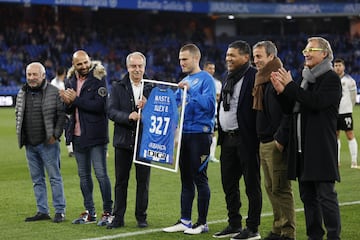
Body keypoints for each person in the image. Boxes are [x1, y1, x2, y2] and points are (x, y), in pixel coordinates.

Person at [270, 37, 342, 240]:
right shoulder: (305, 79)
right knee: (308, 198)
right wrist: (281, 92)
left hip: (320, 149)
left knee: (326, 197)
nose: (306, 53)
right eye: (305, 50)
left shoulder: (330, 78)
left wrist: (291, 87)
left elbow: (316, 102)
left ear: (324, 54)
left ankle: (334, 237)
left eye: (312, 50)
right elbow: (292, 109)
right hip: (302, 150)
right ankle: (314, 236)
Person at [162, 43, 216, 235]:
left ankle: (202, 223)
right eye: (180, 59)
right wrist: (151, 102)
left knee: (200, 178)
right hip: (185, 135)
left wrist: (190, 92)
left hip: (200, 135)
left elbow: (210, 106)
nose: (181, 63)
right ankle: (185, 220)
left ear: (195, 58)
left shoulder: (206, 80)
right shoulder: (185, 80)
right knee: (185, 179)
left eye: (184, 59)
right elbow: (173, 103)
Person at [213, 40, 262, 240]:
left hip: (246, 140)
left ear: (246, 57)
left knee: (252, 185)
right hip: (228, 140)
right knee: (229, 184)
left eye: (232, 55)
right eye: (227, 55)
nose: (228, 59)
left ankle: (252, 228)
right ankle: (234, 224)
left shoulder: (254, 76)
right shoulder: (228, 77)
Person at [59, 50, 113, 226]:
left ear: (90, 61)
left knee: (101, 174)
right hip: (77, 135)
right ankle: (90, 212)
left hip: (96, 135)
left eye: (85, 62)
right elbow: (69, 110)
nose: (83, 66)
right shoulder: (70, 80)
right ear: (73, 65)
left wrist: (75, 100)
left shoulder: (99, 78)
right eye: (79, 64)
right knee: (83, 176)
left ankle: (108, 212)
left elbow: (100, 106)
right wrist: (66, 103)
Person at [252, 41, 295, 240]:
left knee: (281, 188)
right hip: (264, 141)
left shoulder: (278, 76)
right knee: (271, 188)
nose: (256, 60)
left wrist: (281, 137)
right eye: (254, 56)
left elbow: (290, 109)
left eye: (259, 56)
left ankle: (287, 232)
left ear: (271, 57)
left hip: (275, 142)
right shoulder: (262, 79)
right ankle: (278, 228)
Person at [15, 62, 66, 223]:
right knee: (37, 179)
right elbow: (18, 113)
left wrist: (56, 134)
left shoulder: (54, 92)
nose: (31, 78)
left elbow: (62, 116)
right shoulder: (22, 92)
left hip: (48, 143)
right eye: (29, 75)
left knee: (54, 178)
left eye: (34, 74)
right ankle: (42, 210)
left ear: (43, 75)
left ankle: (59, 211)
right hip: (30, 144)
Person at [107, 52, 152, 229]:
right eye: (133, 66)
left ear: (144, 67)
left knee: (143, 182)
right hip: (123, 142)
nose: (137, 69)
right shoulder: (118, 87)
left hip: (144, 142)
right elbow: (111, 111)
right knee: (121, 182)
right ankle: (118, 218)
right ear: (127, 67)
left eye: (140, 66)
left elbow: (163, 108)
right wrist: (128, 116)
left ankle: (141, 217)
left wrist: (149, 104)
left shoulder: (153, 86)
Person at [334, 58, 358, 168]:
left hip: (346, 112)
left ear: (343, 67)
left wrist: (349, 107)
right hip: (334, 112)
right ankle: (336, 162)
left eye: (339, 65)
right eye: (336, 65)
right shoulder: (331, 80)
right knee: (335, 136)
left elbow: (353, 97)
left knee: (350, 134)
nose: (337, 67)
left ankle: (354, 162)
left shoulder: (350, 80)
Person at [50, 66, 74, 157]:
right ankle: (70, 149)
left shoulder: (52, 82)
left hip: (54, 109)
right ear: (64, 73)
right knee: (67, 129)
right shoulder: (63, 84)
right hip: (62, 109)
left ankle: (53, 148)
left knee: (57, 130)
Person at [203, 61, 222, 163]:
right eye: (210, 68)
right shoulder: (199, 80)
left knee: (212, 133)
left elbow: (218, 97)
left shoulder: (217, 83)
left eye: (213, 69)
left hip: (212, 112)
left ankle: (211, 155)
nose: (212, 71)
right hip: (201, 112)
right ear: (204, 68)